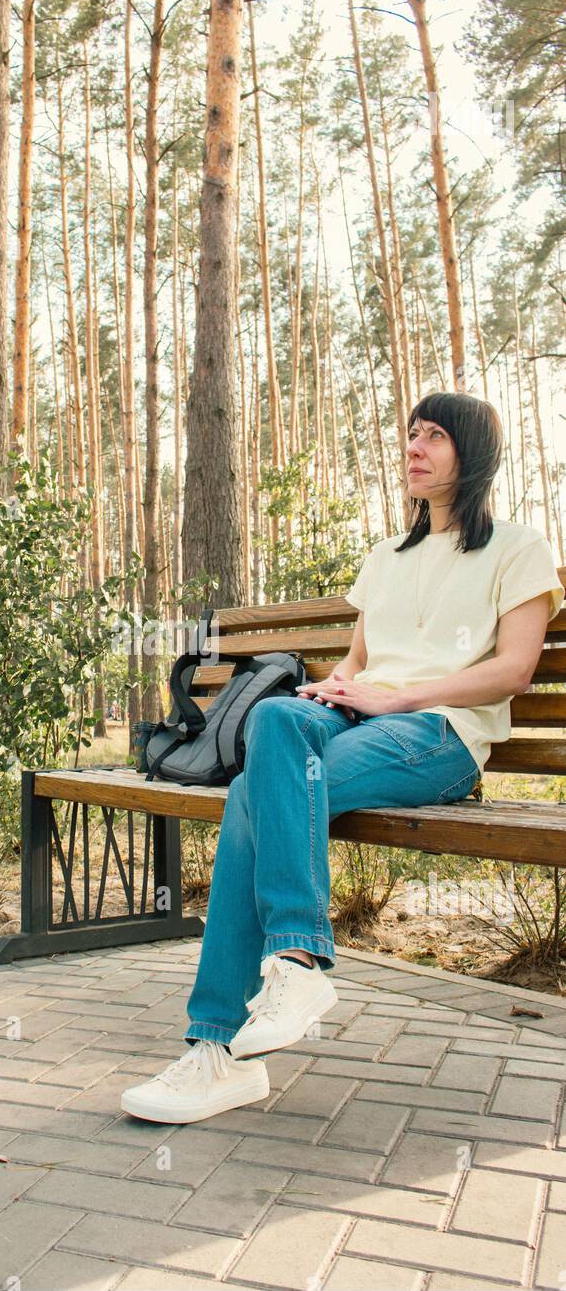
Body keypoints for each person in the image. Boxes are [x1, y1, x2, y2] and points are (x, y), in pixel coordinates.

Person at [121, 390, 565, 1125]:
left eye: (433, 437)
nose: (413, 449)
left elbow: (514, 671)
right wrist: (338, 690)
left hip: (439, 738)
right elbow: (356, 663)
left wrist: (402, 697)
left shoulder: (519, 549)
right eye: (411, 435)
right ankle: (292, 967)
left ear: (473, 453)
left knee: (252, 803)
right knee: (277, 719)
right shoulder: (386, 557)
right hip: (356, 724)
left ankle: (217, 1047)